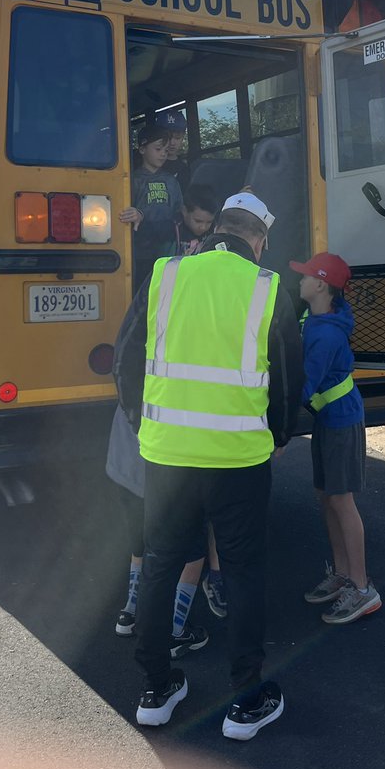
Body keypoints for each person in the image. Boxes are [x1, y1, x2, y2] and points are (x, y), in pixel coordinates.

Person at [113, 191, 303, 739]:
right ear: (259, 240)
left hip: (167, 454)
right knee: (242, 572)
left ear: (216, 229)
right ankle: (246, 700)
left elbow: (127, 357)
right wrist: (281, 435)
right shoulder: (268, 288)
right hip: (240, 458)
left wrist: (141, 421)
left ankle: (155, 689)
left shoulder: (166, 274)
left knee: (161, 563)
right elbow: (288, 380)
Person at [289, 252, 381, 625]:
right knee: (326, 497)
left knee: (342, 502)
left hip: (341, 422)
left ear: (321, 285)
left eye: (306, 276)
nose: (299, 281)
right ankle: (343, 574)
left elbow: (303, 385)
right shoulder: (312, 319)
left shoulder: (325, 334)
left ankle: (361, 589)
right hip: (329, 419)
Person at [105, 405, 208, 655]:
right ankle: (175, 631)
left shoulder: (133, 365)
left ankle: (130, 612)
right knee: (193, 548)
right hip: (172, 461)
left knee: (139, 538)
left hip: (127, 455)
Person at [119, 124, 183, 291]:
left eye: (166, 150)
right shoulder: (131, 180)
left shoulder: (172, 181)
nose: (163, 154)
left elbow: (179, 211)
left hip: (167, 247)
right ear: (141, 149)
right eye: (158, 149)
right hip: (139, 251)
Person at [175, 183, 218, 256]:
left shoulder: (214, 232)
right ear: (184, 211)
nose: (203, 227)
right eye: (198, 221)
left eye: (209, 222)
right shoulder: (172, 231)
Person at [156, 108, 190, 191]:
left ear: (183, 137)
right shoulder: (151, 164)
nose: (172, 142)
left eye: (177, 138)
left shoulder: (184, 169)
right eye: (168, 137)